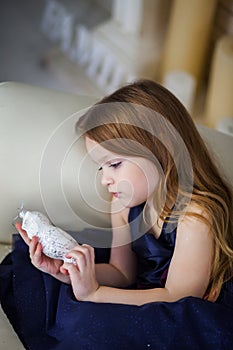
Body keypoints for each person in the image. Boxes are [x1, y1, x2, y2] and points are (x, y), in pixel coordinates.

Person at [2, 79, 233, 350]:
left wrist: (96, 294)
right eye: (102, 169)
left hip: (183, 309)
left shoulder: (196, 216)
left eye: (114, 164)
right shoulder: (122, 206)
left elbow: (177, 298)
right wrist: (71, 274)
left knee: (87, 326)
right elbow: (122, 272)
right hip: (145, 292)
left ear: (161, 150)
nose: (105, 181)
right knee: (33, 275)